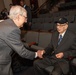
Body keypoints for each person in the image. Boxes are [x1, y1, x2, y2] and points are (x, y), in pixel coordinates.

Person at [0, 5, 44, 75]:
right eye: (25, 18)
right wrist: (36, 54)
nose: (26, 21)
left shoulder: (5, 23)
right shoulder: (13, 29)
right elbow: (22, 52)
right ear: (18, 16)